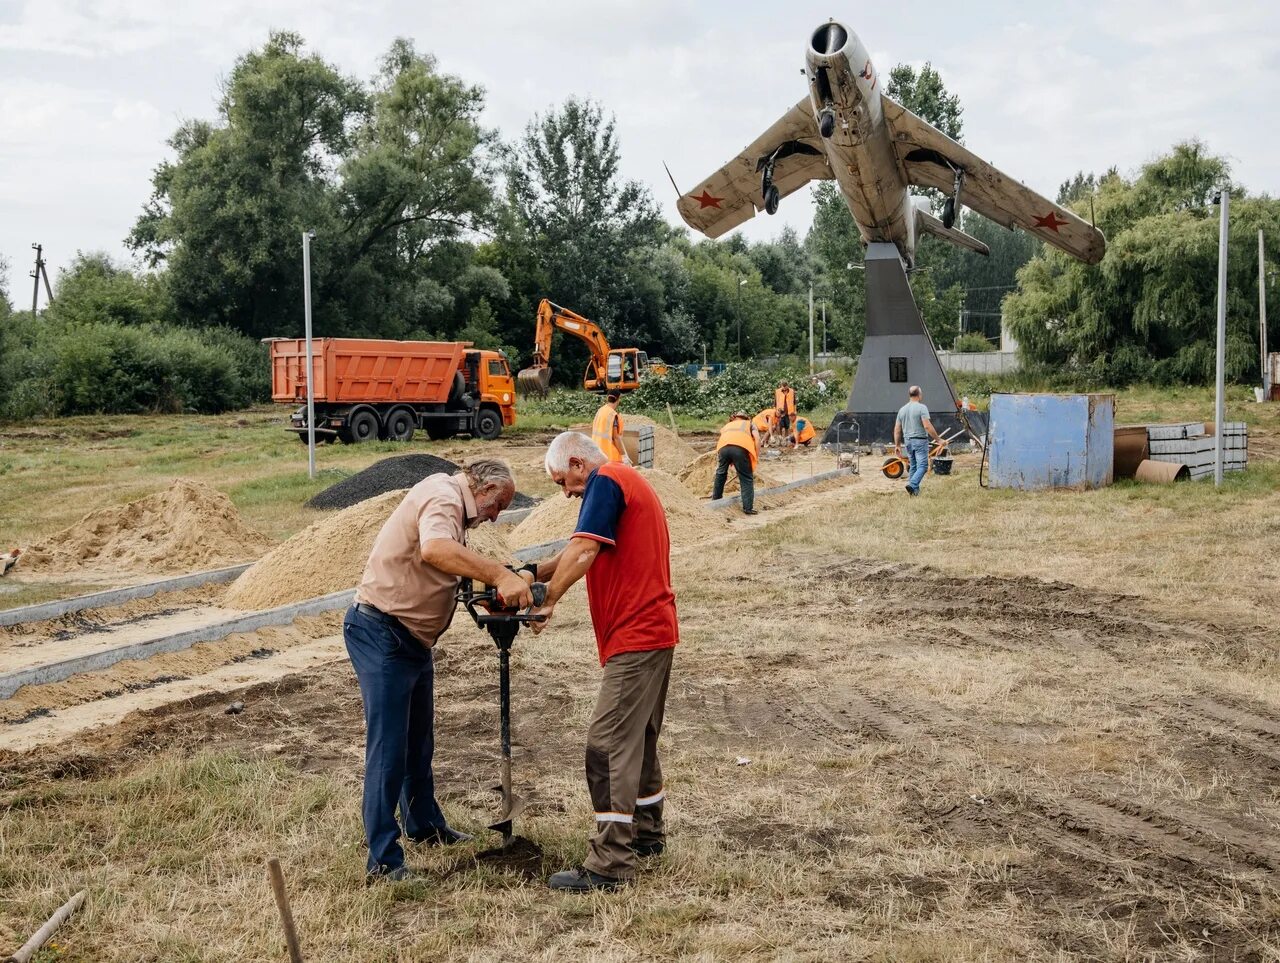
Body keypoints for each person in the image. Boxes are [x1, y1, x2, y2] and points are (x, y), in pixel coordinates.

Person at [344, 459, 532, 883]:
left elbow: (444, 567)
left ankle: (424, 825)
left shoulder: (451, 503)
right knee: (388, 750)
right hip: (382, 633)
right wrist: (498, 573)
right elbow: (435, 550)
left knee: (418, 741)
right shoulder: (445, 497)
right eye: (498, 504)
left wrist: (483, 593)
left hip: (409, 640)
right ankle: (383, 861)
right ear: (482, 489)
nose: (496, 515)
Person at [523, 432, 679, 892]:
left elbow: (586, 550)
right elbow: (579, 548)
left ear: (577, 462)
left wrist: (547, 599)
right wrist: (532, 572)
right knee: (640, 740)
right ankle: (647, 835)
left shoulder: (605, 481)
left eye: (562, 482)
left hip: (636, 635)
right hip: (655, 632)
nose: (566, 492)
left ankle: (610, 862)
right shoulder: (626, 479)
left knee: (606, 744)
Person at [893, 385, 942, 496]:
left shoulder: (902, 410)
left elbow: (897, 429)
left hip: (908, 441)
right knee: (923, 466)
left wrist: (897, 445)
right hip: (919, 440)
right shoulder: (922, 408)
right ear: (919, 395)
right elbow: (927, 426)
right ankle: (912, 484)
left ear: (909, 395)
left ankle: (914, 493)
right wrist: (938, 440)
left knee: (914, 465)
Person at [711, 411, 760, 516]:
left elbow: (728, 440)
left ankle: (716, 500)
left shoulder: (728, 425)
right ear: (746, 418)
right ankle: (748, 508)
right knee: (746, 477)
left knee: (721, 473)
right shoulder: (750, 424)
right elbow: (757, 439)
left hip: (723, 448)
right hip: (740, 449)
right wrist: (756, 455)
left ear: (734, 418)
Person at [591, 392, 627, 464]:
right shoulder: (612, 414)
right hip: (609, 455)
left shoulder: (601, 410)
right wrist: (624, 456)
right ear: (618, 399)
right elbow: (616, 438)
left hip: (597, 453)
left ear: (607, 398)